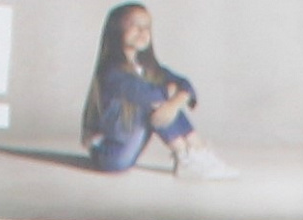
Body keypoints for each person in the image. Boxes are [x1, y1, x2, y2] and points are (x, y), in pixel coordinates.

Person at [82, 5, 210, 172]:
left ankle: (196, 150)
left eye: (147, 27)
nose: (142, 31)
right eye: (134, 25)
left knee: (165, 107)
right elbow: (149, 95)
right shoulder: (112, 72)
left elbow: (184, 83)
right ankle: (184, 155)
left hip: (130, 149)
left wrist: (175, 101)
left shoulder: (146, 68)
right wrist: (171, 96)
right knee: (156, 105)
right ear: (116, 29)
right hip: (111, 154)